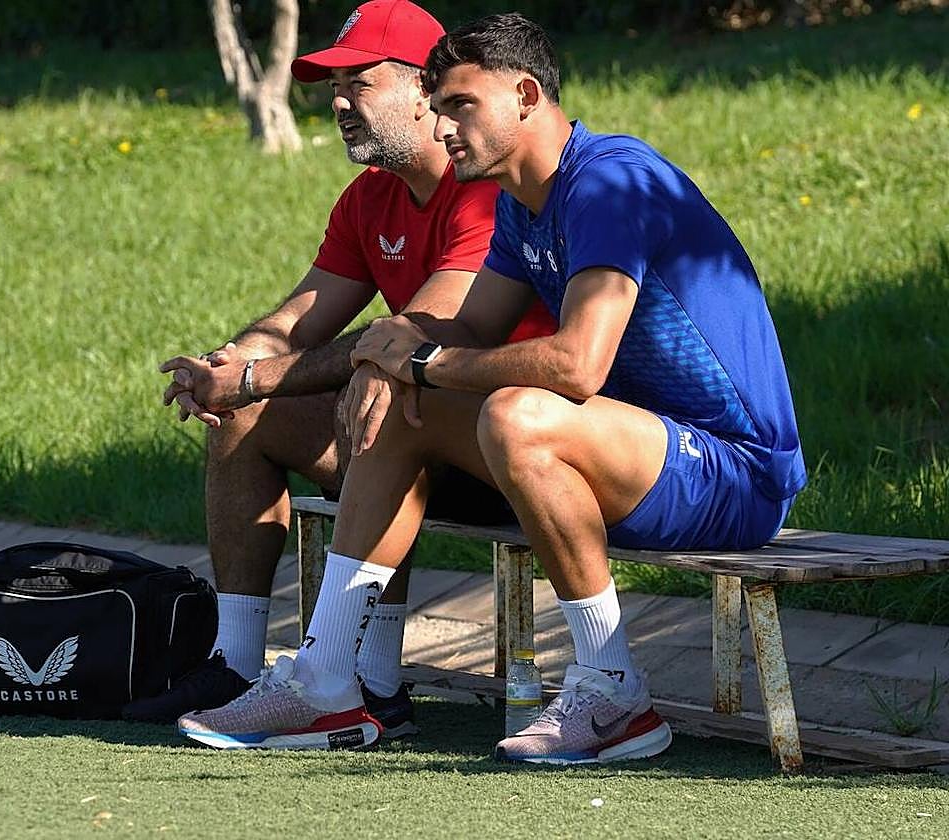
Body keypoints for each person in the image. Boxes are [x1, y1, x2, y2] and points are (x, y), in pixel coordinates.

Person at [181, 12, 807, 763]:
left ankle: (613, 693)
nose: (444, 127)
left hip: (735, 473)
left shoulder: (609, 181)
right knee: (399, 404)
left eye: (460, 105)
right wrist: (392, 356)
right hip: (632, 458)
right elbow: (467, 327)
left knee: (514, 413)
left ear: (526, 94)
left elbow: (578, 365)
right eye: (439, 106)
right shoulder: (521, 201)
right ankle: (327, 683)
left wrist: (421, 361)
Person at [150, 1, 555, 741]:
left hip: (518, 447)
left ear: (424, 89)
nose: (338, 103)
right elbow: (298, 318)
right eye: (332, 87)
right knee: (266, 411)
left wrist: (253, 379)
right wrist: (232, 363)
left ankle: (368, 681)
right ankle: (238, 663)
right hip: (425, 430)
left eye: (358, 84)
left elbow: (417, 330)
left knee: (380, 395)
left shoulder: (486, 188)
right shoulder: (369, 197)